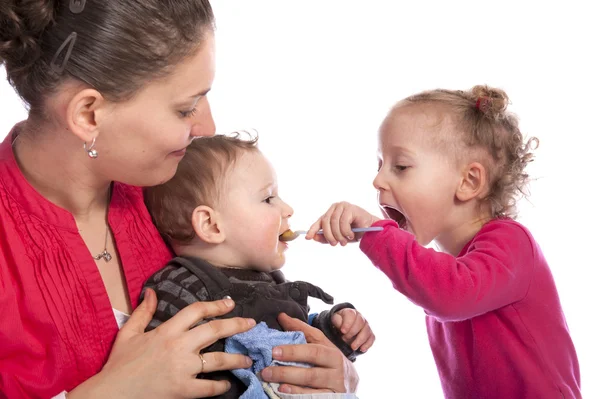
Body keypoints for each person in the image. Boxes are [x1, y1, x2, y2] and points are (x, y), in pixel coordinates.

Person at [0, 1, 359, 398]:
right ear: (89, 115)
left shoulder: (178, 188)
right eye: (185, 107)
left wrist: (329, 373)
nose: (208, 126)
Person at [307, 85, 581, 399]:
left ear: (469, 182)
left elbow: (450, 292)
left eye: (401, 167)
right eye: (379, 165)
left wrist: (377, 230)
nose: (378, 180)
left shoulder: (512, 243)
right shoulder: (446, 271)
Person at [142, 133, 375, 398]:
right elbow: (161, 369)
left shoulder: (271, 280)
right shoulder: (181, 289)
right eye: (268, 199)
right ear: (211, 225)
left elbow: (295, 348)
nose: (288, 209)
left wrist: (335, 330)